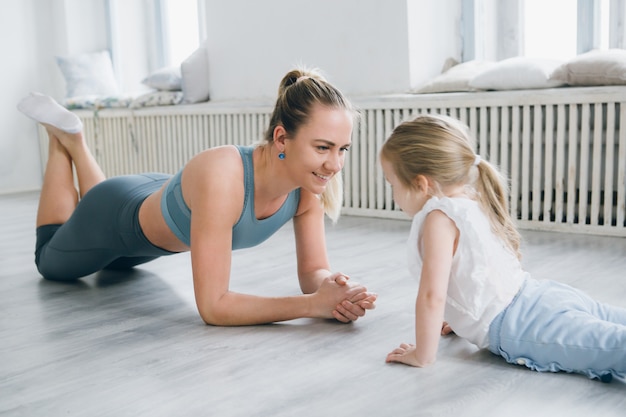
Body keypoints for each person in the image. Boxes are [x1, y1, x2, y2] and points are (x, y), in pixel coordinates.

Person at [17, 67, 377, 326]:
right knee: (48, 258)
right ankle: (64, 140)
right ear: (282, 138)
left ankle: (74, 144)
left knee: (113, 266)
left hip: (147, 227)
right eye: (323, 147)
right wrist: (312, 307)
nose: (335, 164)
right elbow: (214, 306)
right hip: (117, 217)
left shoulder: (307, 185)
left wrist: (336, 290)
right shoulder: (224, 176)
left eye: (343, 149)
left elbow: (313, 271)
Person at [381, 113, 625, 382]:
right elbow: (477, 271)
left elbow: (432, 296)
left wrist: (422, 355)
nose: (393, 194)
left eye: (392, 183)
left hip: (521, 326)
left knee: (616, 348)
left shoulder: (438, 219)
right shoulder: (471, 199)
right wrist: (462, 317)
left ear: (420, 184)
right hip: (541, 294)